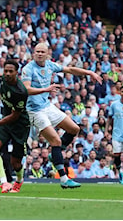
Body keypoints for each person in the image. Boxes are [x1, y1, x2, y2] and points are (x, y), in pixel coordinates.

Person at [21, 43, 102, 189]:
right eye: (37, 51)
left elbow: (70, 69)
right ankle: (64, 178)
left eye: (42, 52)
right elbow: (26, 89)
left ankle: (55, 155)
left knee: (74, 129)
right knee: (56, 141)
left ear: (47, 54)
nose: (39, 54)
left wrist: (89, 72)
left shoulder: (50, 65)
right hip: (34, 110)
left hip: (47, 106)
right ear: (33, 53)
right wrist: (46, 89)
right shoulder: (28, 69)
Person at [0, 60, 39, 193]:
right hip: (5, 123)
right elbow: (4, 76)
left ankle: (19, 180)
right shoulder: (4, 79)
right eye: (5, 71)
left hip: (19, 126)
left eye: (10, 71)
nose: (7, 73)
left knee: (15, 163)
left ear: (16, 73)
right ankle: (4, 182)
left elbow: (15, 116)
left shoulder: (20, 91)